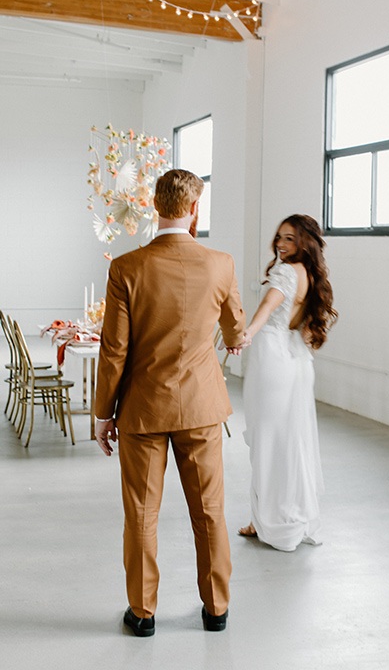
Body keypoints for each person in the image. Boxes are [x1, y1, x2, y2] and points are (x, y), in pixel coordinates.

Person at [94, 169, 246, 636]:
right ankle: (216, 609)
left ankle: (142, 614)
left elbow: (114, 349)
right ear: (194, 209)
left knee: (141, 514)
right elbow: (236, 330)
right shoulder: (220, 263)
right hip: (201, 408)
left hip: (142, 411)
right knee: (210, 511)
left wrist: (102, 413)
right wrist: (231, 338)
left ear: (154, 208)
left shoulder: (126, 267)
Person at [235, 215, 337, 552]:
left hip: (272, 358)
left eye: (290, 239)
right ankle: (291, 513)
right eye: (279, 237)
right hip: (294, 358)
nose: (281, 244)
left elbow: (268, 304)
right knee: (290, 441)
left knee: (267, 441)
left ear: (305, 242)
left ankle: (268, 520)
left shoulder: (283, 272)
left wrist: (246, 333)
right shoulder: (309, 275)